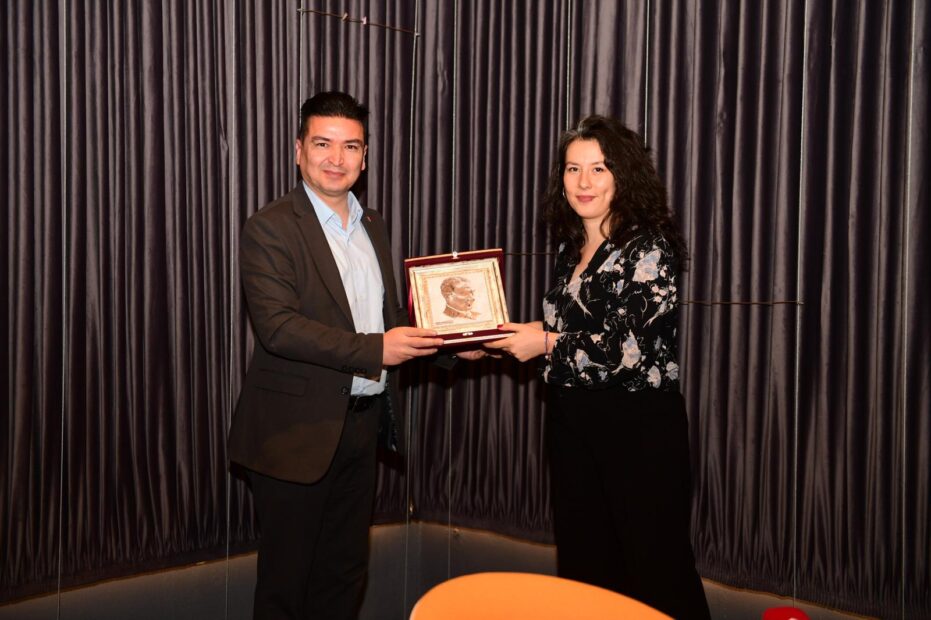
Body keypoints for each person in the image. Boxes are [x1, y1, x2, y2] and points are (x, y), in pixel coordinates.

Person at [483, 115, 711, 619]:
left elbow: (627, 349)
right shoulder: (572, 251)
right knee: (587, 575)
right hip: (572, 427)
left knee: (658, 575)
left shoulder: (648, 246)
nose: (583, 182)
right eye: (572, 169)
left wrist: (543, 343)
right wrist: (493, 338)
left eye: (598, 168)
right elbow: (567, 332)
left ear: (623, 175)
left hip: (638, 431)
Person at [228, 91, 444, 620]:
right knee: (286, 588)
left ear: (364, 157)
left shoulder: (373, 225)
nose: (336, 158)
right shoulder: (270, 226)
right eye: (323, 143)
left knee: (344, 578)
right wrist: (378, 349)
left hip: (362, 428)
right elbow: (279, 328)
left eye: (351, 146)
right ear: (298, 150)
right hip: (294, 435)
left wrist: (458, 344)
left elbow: (389, 317)